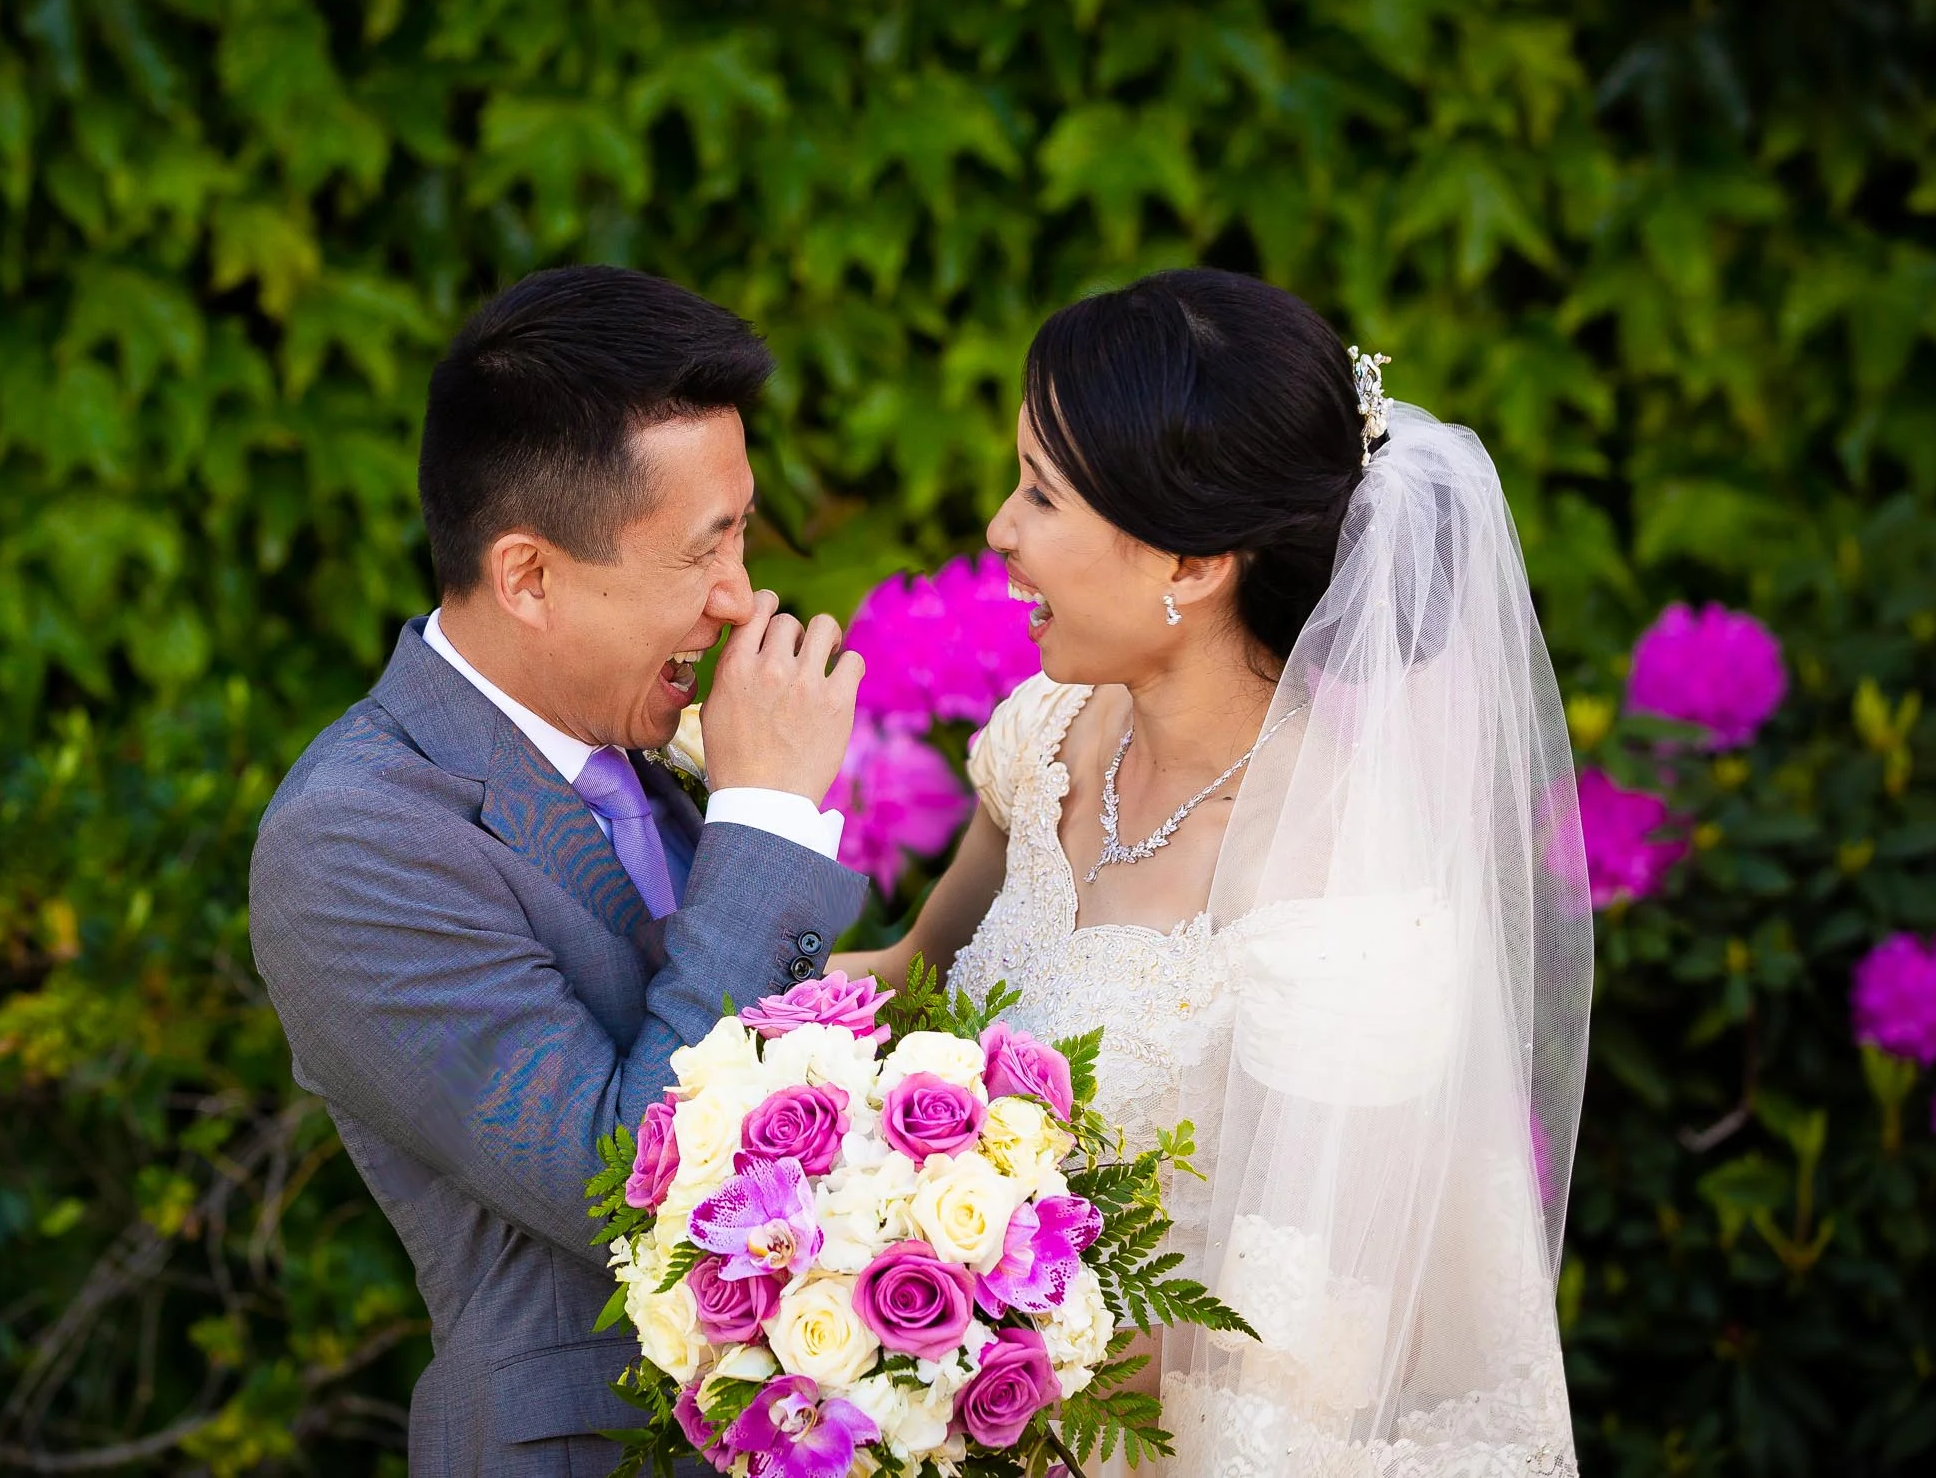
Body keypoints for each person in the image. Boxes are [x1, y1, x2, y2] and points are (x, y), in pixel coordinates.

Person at [836, 269, 1594, 1475]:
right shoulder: (1049, 733)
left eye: (1040, 493)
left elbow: (1309, 1348)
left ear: (1189, 563)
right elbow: (905, 984)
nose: (997, 528)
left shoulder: (1336, 889)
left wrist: (977, 1354)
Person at [250, 266, 870, 1476]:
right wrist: (764, 813)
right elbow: (628, 1178)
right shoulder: (355, 837)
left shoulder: (635, 736)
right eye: (703, 550)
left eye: (739, 528)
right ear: (528, 574)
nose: (741, 597)